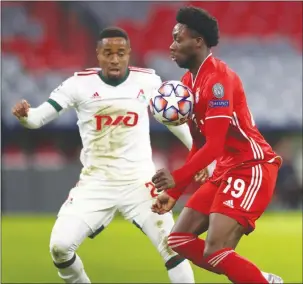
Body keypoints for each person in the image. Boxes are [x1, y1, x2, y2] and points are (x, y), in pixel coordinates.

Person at [12, 27, 197, 283]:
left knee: (173, 248)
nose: (114, 59)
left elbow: (172, 120)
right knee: (60, 247)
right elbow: (37, 118)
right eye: (107, 53)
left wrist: (197, 154)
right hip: (96, 183)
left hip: (140, 182)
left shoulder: (148, 81)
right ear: (97, 54)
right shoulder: (78, 84)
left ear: (128, 54)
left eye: (120, 53)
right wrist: (25, 116)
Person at [151, 7, 283, 284]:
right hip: (226, 169)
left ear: (197, 42)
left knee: (216, 250)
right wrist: (174, 192)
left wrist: (177, 176)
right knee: (179, 238)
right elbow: (199, 143)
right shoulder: (188, 82)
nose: (171, 45)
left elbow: (214, 145)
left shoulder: (220, 80)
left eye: (178, 38)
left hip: (251, 166)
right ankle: (260, 279)